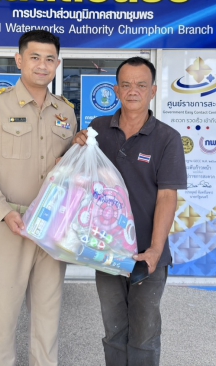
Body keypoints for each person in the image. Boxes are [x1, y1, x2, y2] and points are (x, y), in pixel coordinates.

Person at [0, 30, 76, 366]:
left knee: (48, 315)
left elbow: (67, 167)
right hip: (8, 226)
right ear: (19, 60)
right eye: (35, 57)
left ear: (57, 64)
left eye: (50, 59)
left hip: (51, 228)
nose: (42, 65)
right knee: (2, 317)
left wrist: (77, 150)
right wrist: (3, 211)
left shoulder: (66, 112)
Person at [73, 57, 186, 366]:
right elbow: (77, 177)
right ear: (116, 91)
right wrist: (76, 144)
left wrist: (156, 249)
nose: (133, 91)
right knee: (113, 331)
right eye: (126, 85)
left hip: (146, 254)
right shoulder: (98, 129)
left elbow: (167, 196)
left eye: (141, 85)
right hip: (106, 250)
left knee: (144, 335)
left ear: (153, 91)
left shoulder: (167, 138)